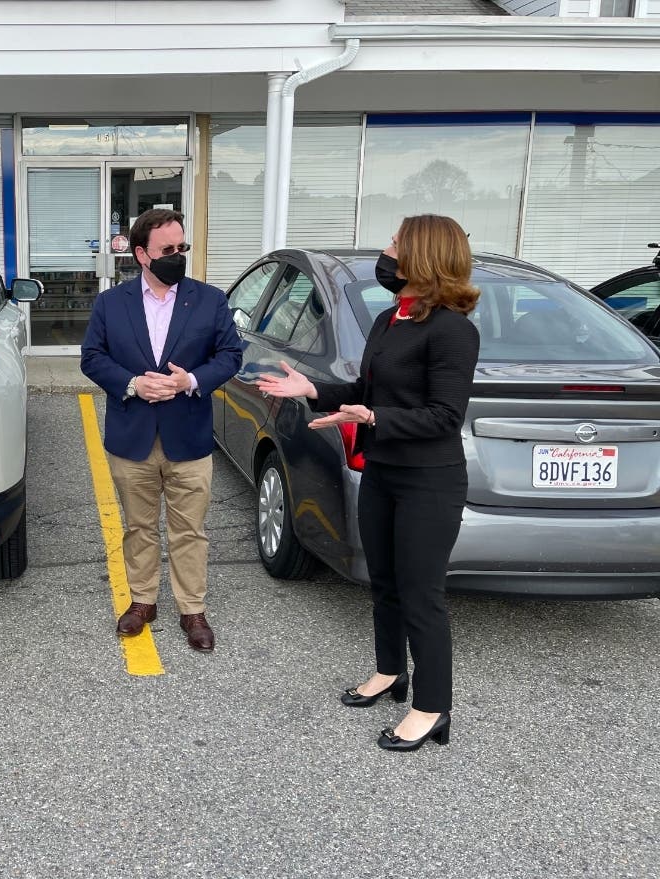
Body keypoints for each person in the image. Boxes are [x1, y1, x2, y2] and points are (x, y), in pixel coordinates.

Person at [256, 214, 479, 752]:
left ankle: (431, 707)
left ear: (423, 256)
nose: (387, 251)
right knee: (384, 583)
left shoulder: (452, 330)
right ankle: (389, 673)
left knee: (422, 596)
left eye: (396, 243)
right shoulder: (390, 320)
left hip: (429, 481)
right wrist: (313, 387)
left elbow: (444, 416)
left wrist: (373, 418)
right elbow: (364, 388)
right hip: (382, 473)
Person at [80, 209, 244, 652]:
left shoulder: (209, 300)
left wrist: (188, 381)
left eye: (182, 248)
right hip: (131, 437)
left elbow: (230, 355)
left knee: (190, 529)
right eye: (167, 250)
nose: (177, 256)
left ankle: (192, 610)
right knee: (139, 527)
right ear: (141, 254)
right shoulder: (111, 303)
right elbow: (92, 357)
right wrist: (133, 384)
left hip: (187, 437)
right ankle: (143, 601)